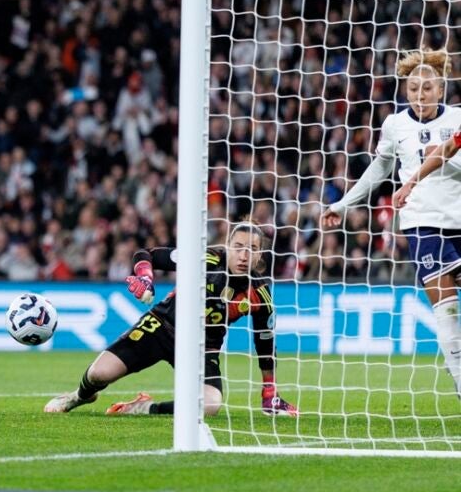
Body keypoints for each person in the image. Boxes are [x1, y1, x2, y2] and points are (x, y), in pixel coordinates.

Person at [44, 222, 297, 417]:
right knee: (98, 374)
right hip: (161, 326)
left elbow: (265, 344)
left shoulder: (259, 295)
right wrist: (145, 277)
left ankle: (143, 408)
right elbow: (146, 253)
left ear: (260, 255)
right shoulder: (205, 258)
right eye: (238, 247)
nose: (243, 255)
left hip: (202, 347)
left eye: (252, 249)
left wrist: (269, 393)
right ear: (227, 246)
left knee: (210, 405)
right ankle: (78, 396)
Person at [324, 47, 461, 395]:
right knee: (446, 311)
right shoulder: (395, 124)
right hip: (422, 223)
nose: (420, 95)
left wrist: (443, 158)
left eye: (427, 88)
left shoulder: (457, 119)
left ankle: (455, 358)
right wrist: (343, 204)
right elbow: (379, 170)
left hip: (458, 217)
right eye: (413, 89)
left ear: (441, 89)